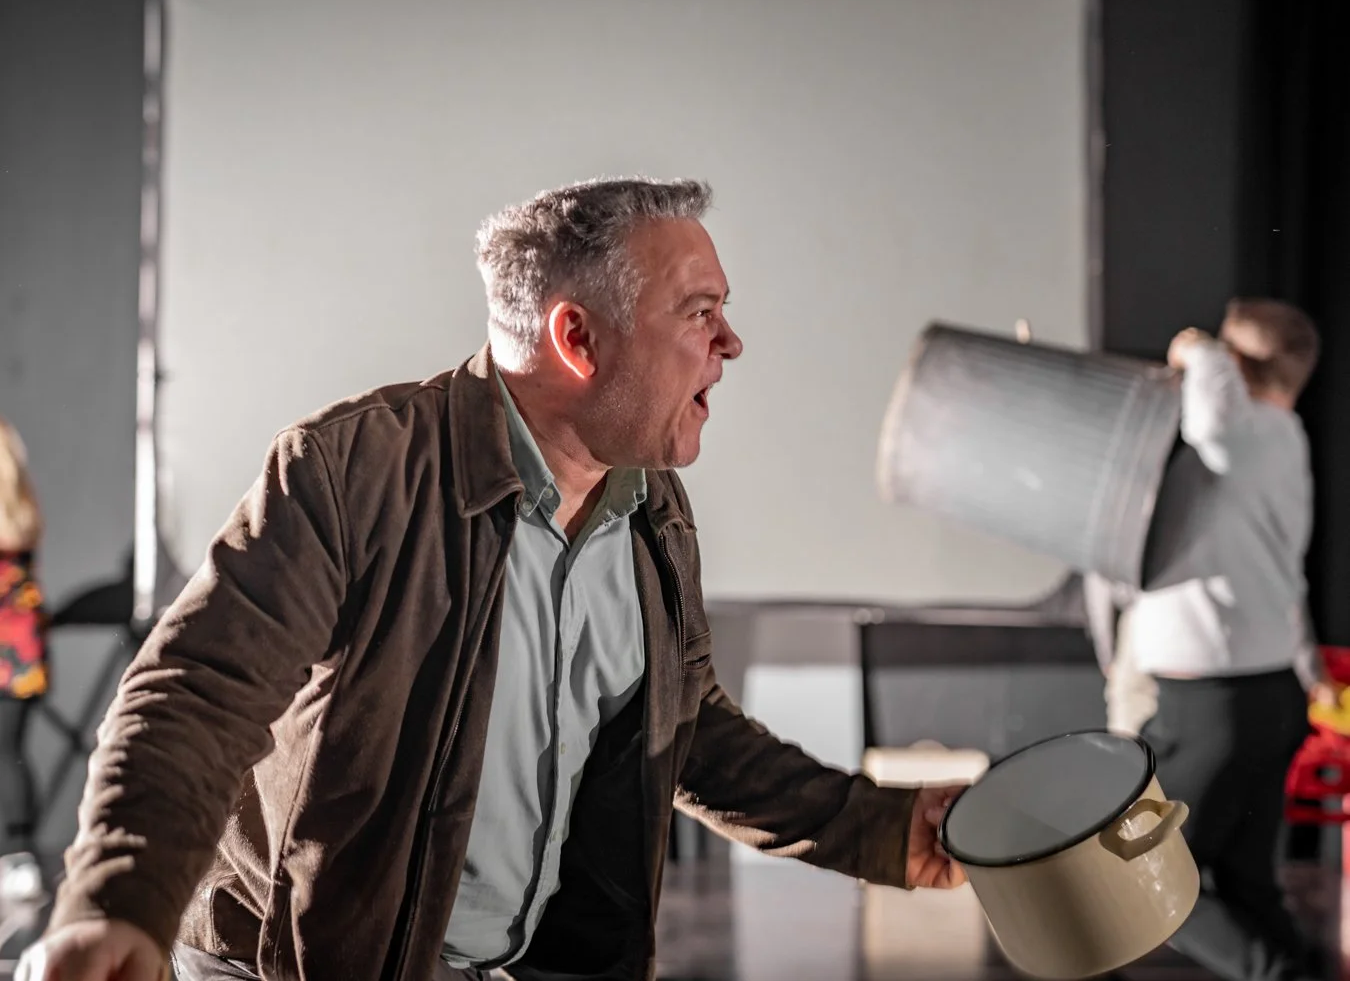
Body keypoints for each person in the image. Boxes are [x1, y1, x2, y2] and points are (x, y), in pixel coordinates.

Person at [18, 179, 964, 981]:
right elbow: (197, 694)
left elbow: (689, 730)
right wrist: (118, 903)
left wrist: (883, 828)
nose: (731, 343)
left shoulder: (653, 511)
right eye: (700, 312)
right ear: (577, 337)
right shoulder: (353, 473)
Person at [1087, 299, 1324, 981]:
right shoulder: (1284, 439)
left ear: (1238, 366)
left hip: (1213, 705)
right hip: (1265, 696)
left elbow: (1213, 409)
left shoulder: (1243, 432)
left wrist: (1195, 347)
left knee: (1145, 878)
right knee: (1249, 881)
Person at [0, 416, 48, 905]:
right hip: (24, 658)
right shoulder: (19, 513)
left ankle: (17, 857)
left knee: (5, 754)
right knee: (10, 752)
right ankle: (18, 857)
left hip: (10, 659)